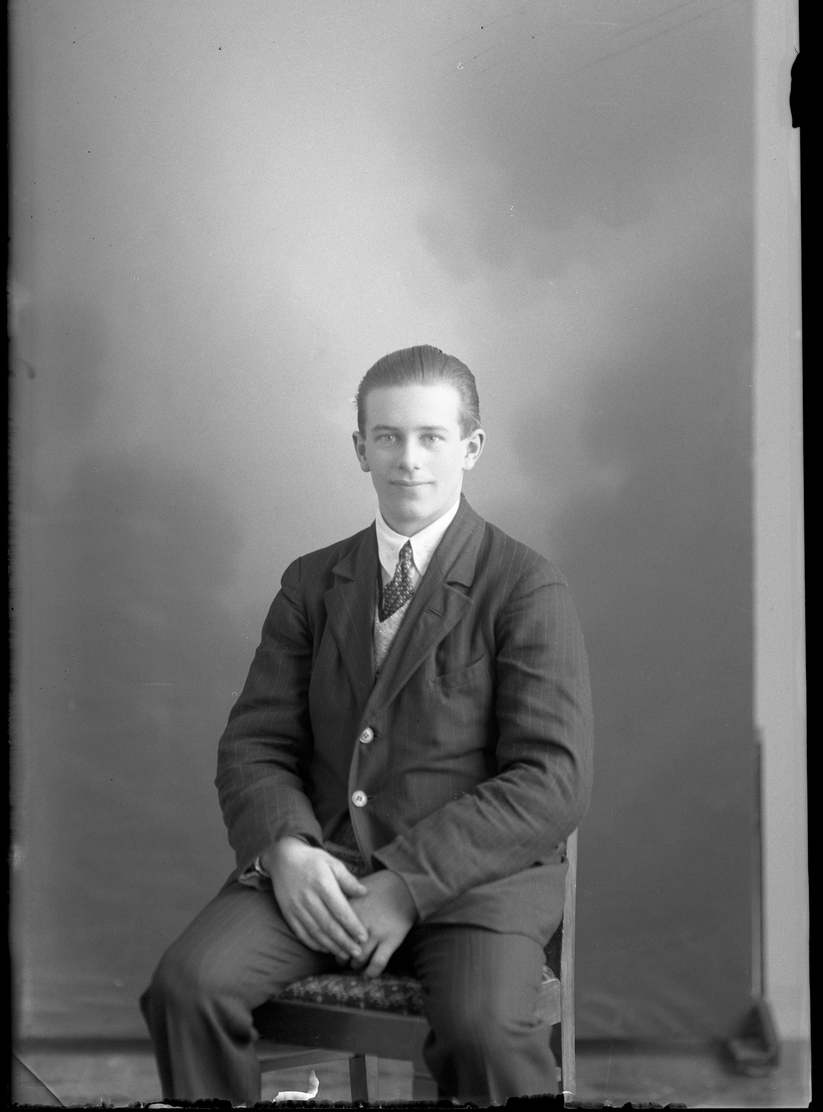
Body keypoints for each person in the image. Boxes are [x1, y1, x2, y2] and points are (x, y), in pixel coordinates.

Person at [141, 345, 593, 1104]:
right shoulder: (312, 581)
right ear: (360, 448)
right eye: (387, 437)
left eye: (431, 437)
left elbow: (553, 779)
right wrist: (285, 850)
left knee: (481, 1028)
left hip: (473, 885)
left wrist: (407, 885)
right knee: (189, 987)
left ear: (471, 448)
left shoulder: (524, 586)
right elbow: (256, 744)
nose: (408, 459)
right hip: (328, 869)